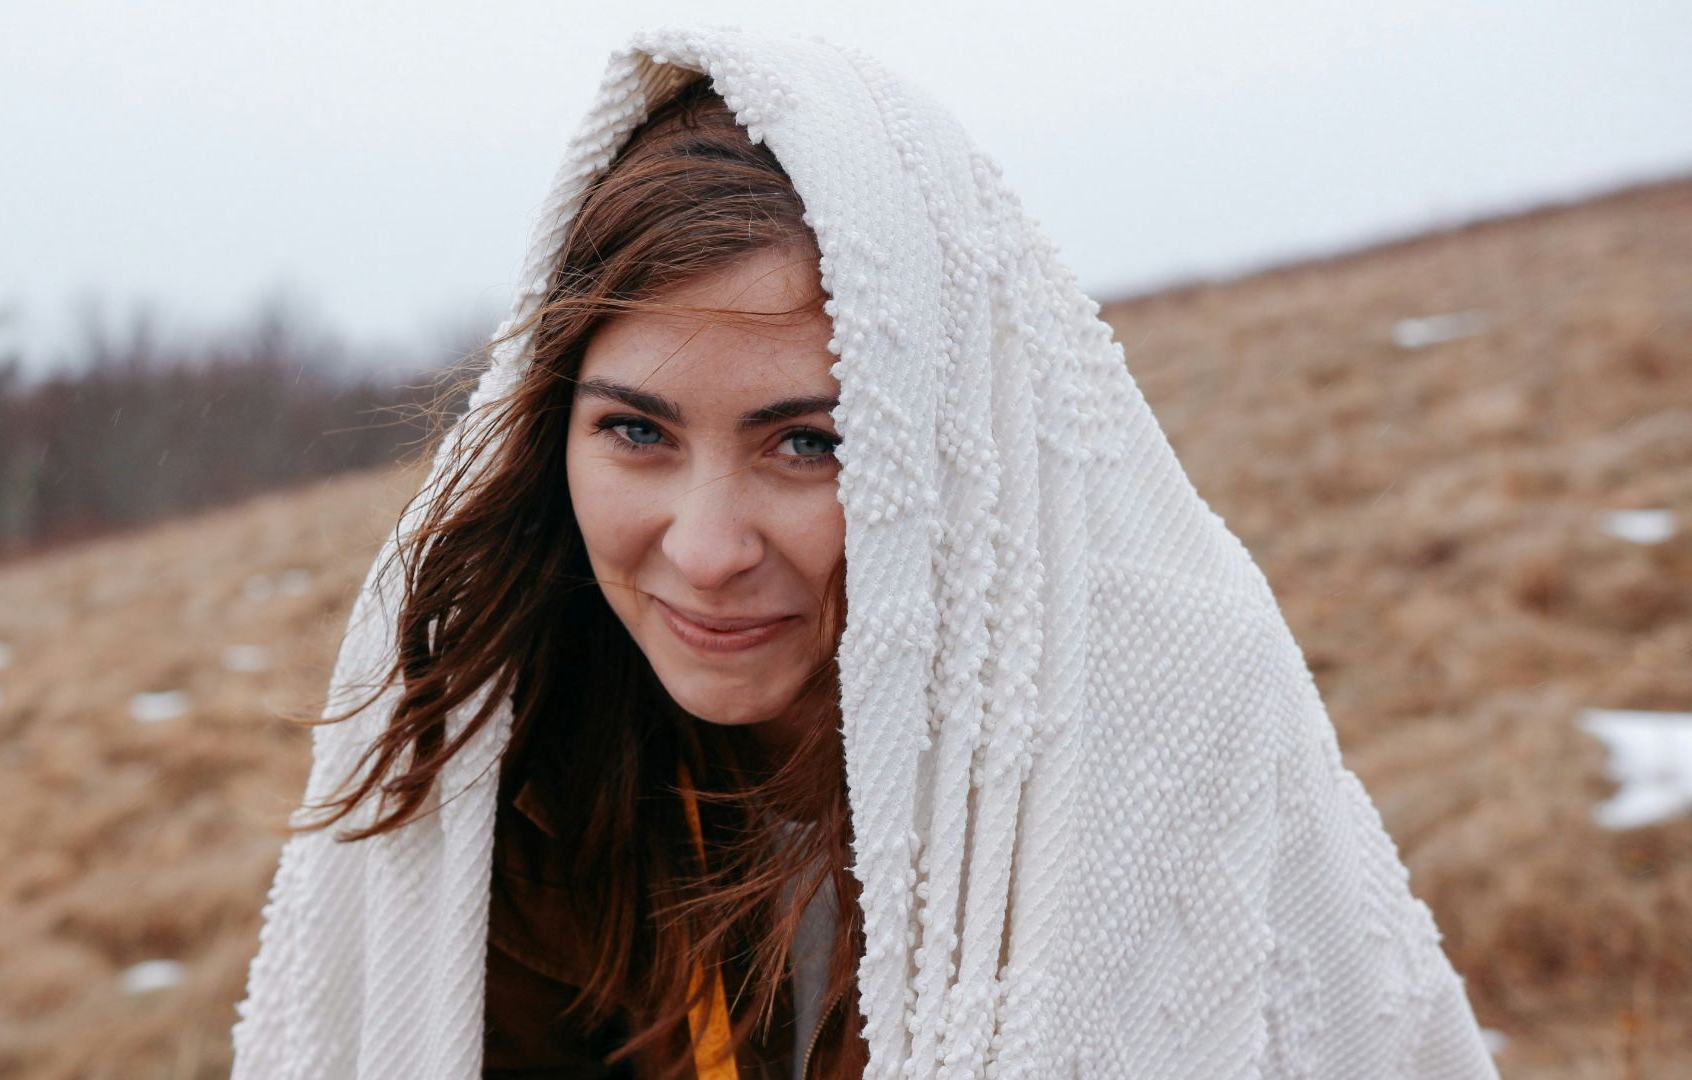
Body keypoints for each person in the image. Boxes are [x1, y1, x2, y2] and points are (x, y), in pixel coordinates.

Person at [230, 25, 1499, 1080]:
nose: (709, 548)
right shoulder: (513, 729)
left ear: (942, 442)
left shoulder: (1157, 707)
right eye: (635, 431)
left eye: (809, 446)